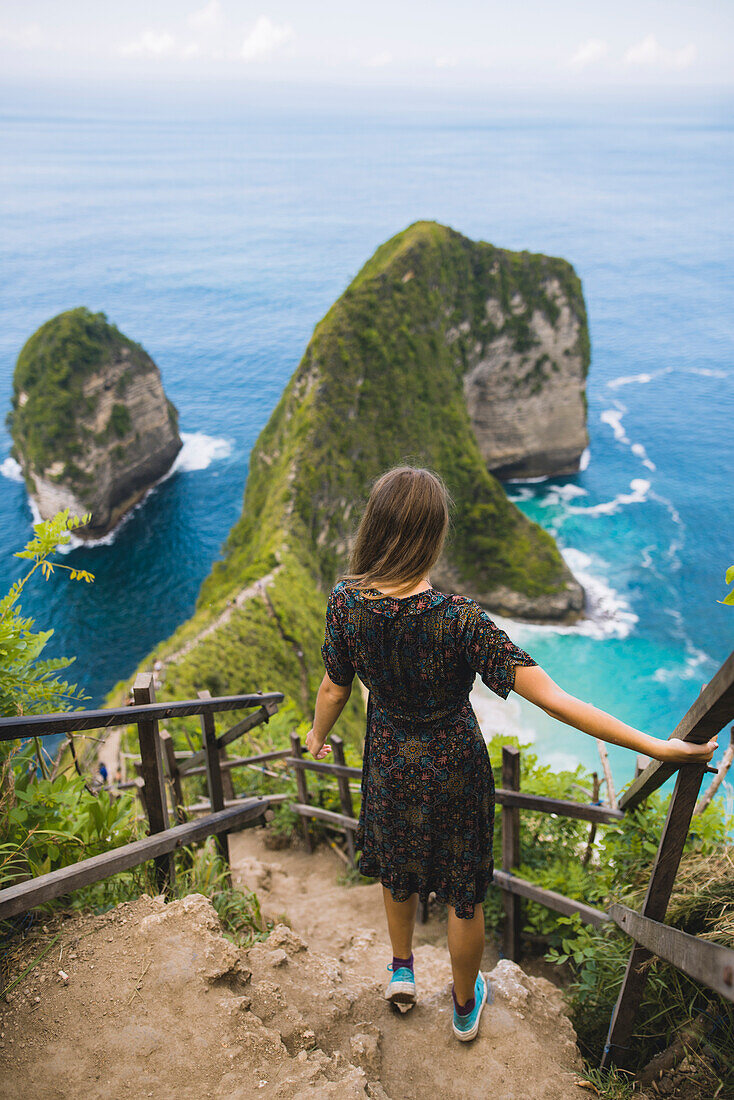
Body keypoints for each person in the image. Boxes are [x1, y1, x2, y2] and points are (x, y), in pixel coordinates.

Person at [305, 466, 718, 1043]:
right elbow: (556, 701)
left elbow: (334, 687)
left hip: (390, 758)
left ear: (374, 527)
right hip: (455, 767)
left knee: (397, 870)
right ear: (435, 535)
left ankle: (402, 970)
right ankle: (464, 1003)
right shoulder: (462, 620)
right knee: (464, 894)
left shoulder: (347, 603)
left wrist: (318, 735)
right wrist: (655, 746)